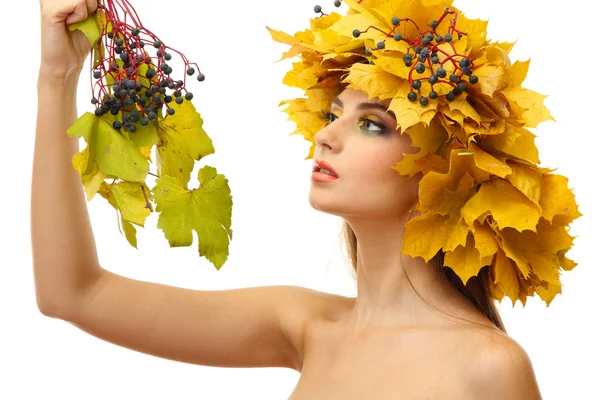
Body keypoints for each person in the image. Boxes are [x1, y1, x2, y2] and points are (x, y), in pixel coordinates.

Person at [33, 0, 579, 398]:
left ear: (450, 172)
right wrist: (58, 76)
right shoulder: (306, 326)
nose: (327, 135)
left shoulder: (488, 368)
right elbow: (73, 293)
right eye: (333, 113)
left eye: (372, 125)